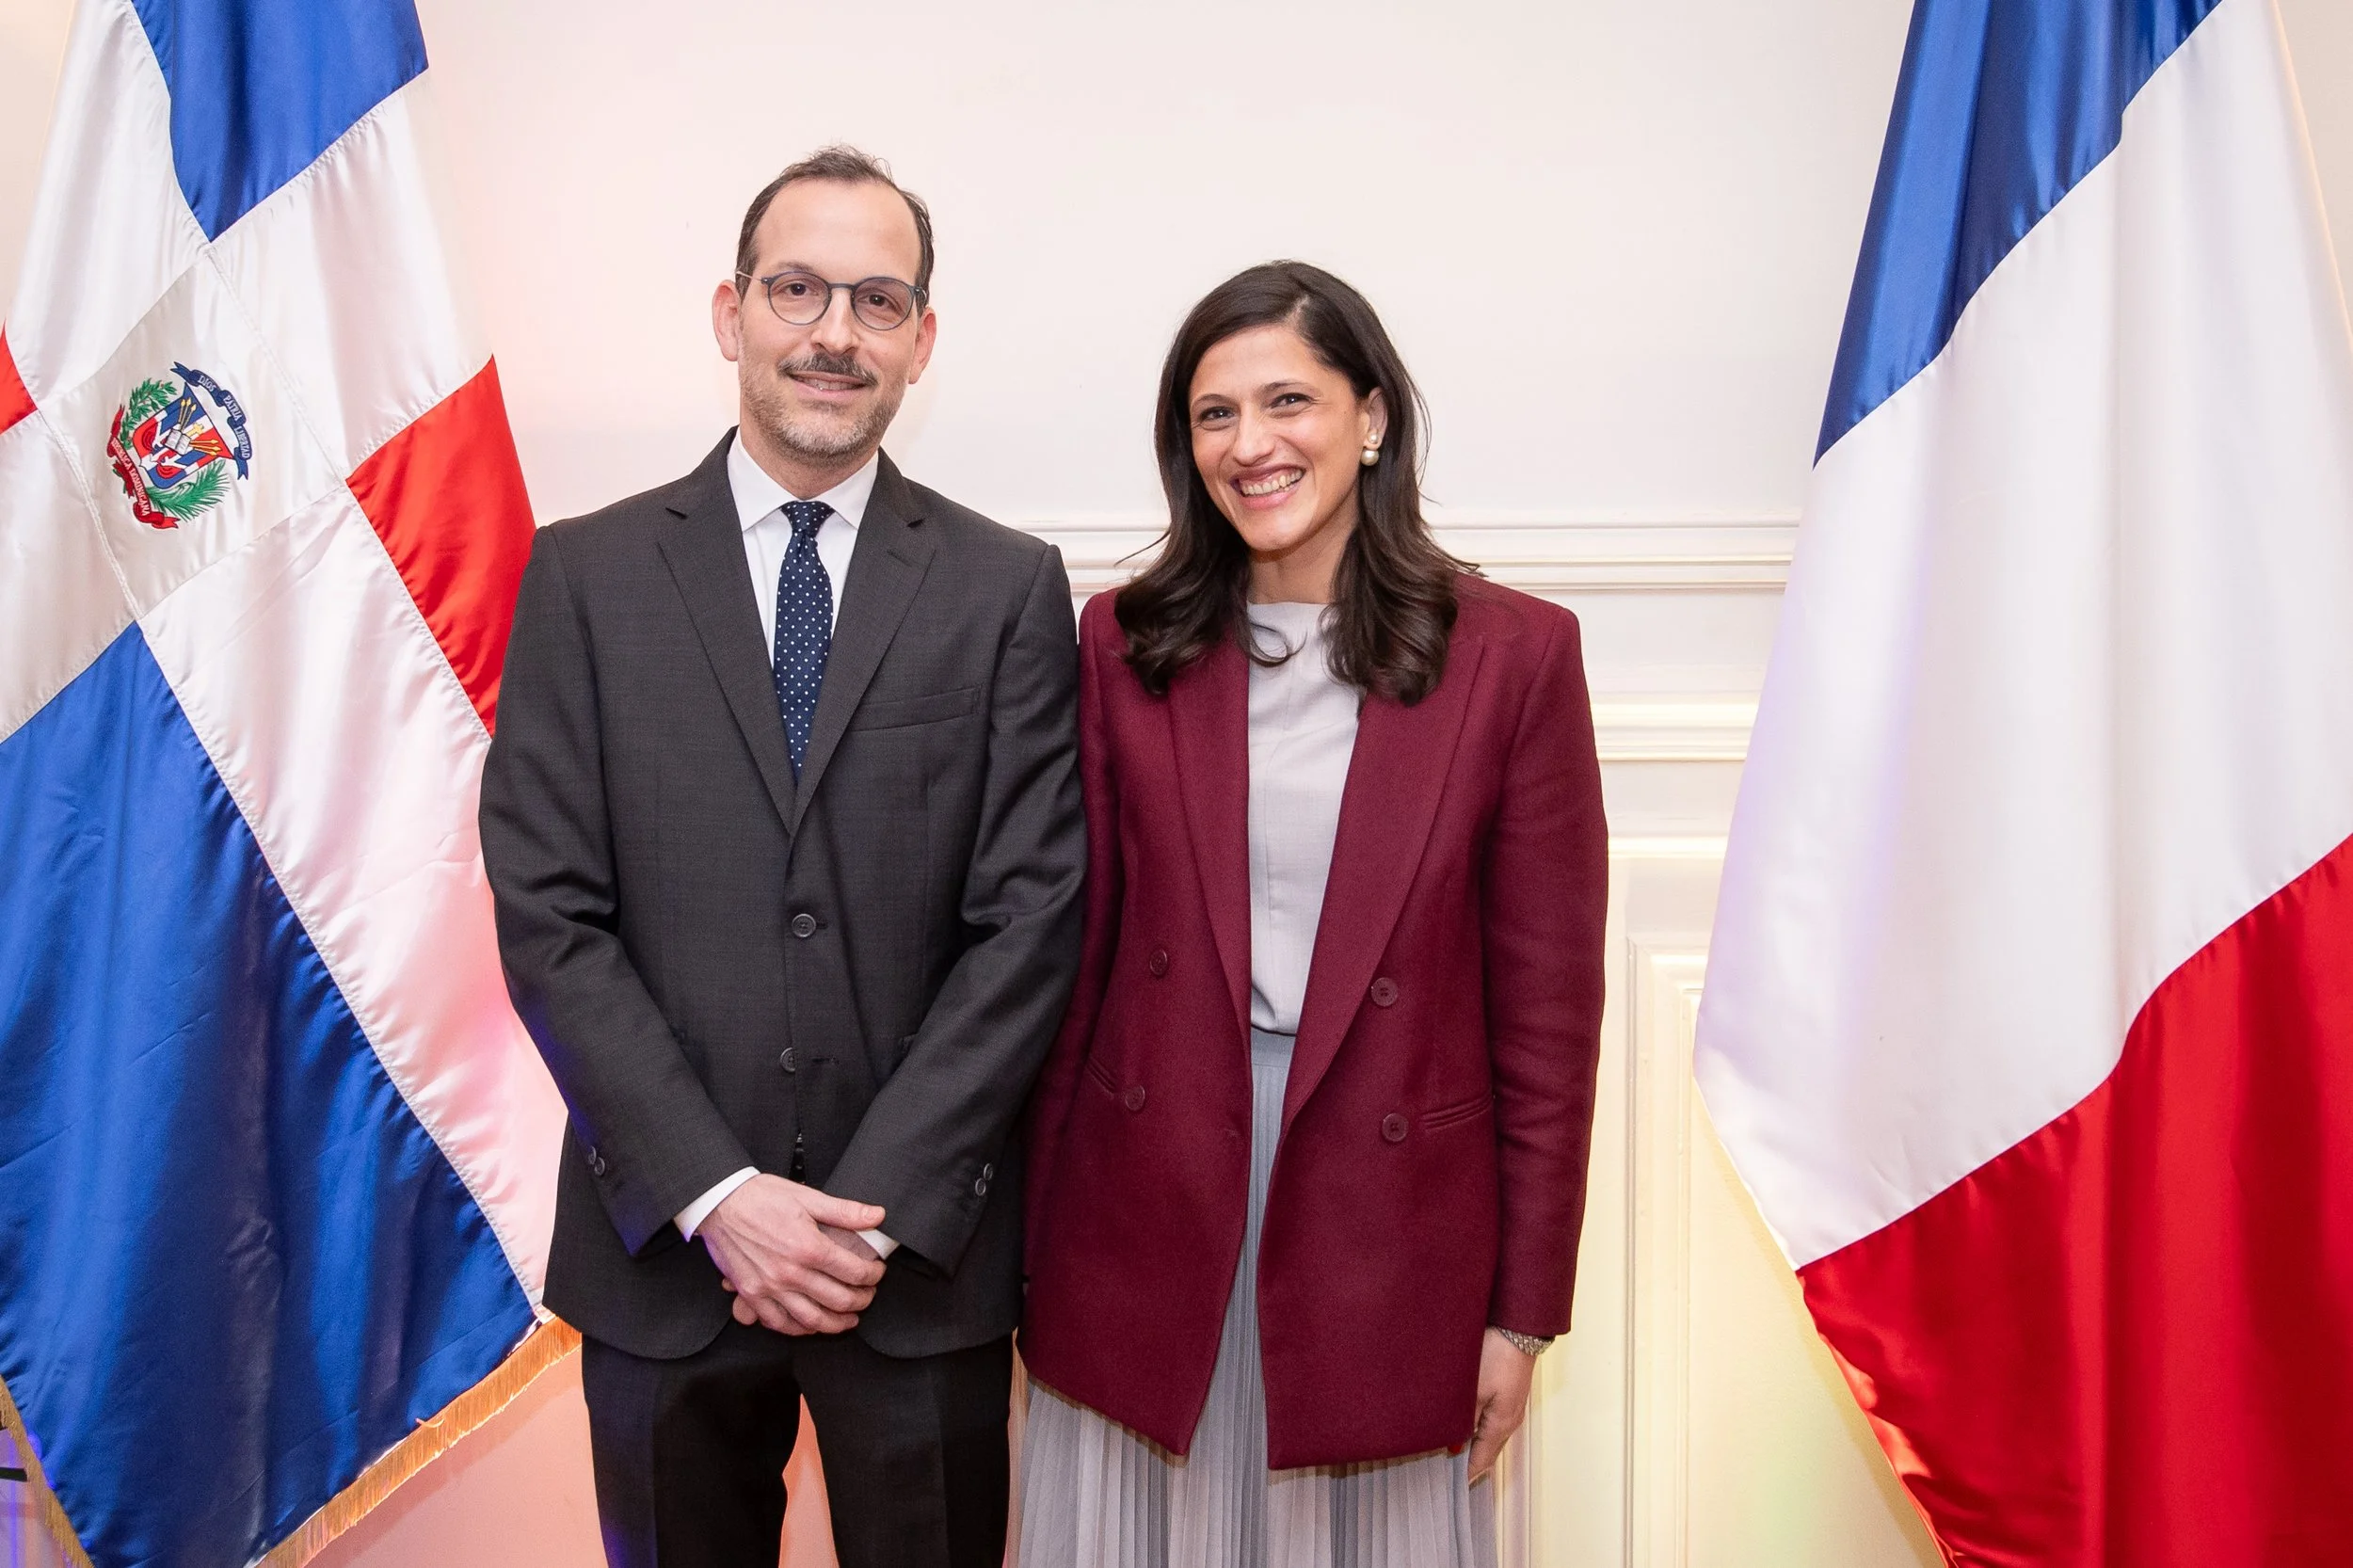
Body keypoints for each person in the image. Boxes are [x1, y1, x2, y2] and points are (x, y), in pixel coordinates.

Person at [479, 146, 1085, 1568]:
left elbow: (1030, 920)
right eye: (798, 288)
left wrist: (864, 1224)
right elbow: (550, 913)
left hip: (916, 1265)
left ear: (922, 340)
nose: (834, 332)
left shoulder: (1008, 588)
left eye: (879, 301)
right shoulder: (585, 575)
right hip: (665, 1253)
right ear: (730, 310)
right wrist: (719, 1194)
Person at [1016, 262, 1608, 1567]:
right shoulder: (1124, 645)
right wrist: (1023, 1256)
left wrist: (1524, 1313)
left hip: (1386, 1226)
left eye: (1289, 399)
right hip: (1151, 1201)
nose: (1252, 443)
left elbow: (1551, 1023)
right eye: (1214, 414)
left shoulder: (1514, 657)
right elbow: (1075, 965)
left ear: (1373, 416)